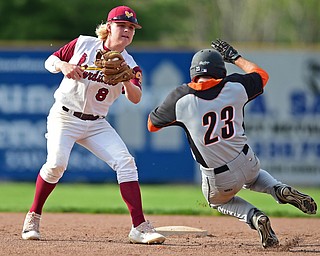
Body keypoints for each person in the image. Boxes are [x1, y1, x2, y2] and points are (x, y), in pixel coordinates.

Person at [147, 39, 317, 248]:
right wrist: (235, 58)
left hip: (219, 177)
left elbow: (151, 125)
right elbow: (262, 75)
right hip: (247, 160)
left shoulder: (181, 97)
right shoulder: (235, 85)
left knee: (217, 202)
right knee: (254, 178)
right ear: (221, 71)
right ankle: (278, 189)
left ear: (193, 72)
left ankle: (254, 217)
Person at [21, 5, 165, 245]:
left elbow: (136, 98)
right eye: (122, 25)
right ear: (109, 27)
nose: (127, 30)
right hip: (65, 116)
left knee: (126, 163)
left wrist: (127, 79)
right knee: (56, 164)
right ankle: (33, 215)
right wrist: (64, 66)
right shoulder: (83, 44)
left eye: (132, 27)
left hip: (97, 124)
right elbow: (50, 61)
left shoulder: (130, 64)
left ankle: (139, 227)